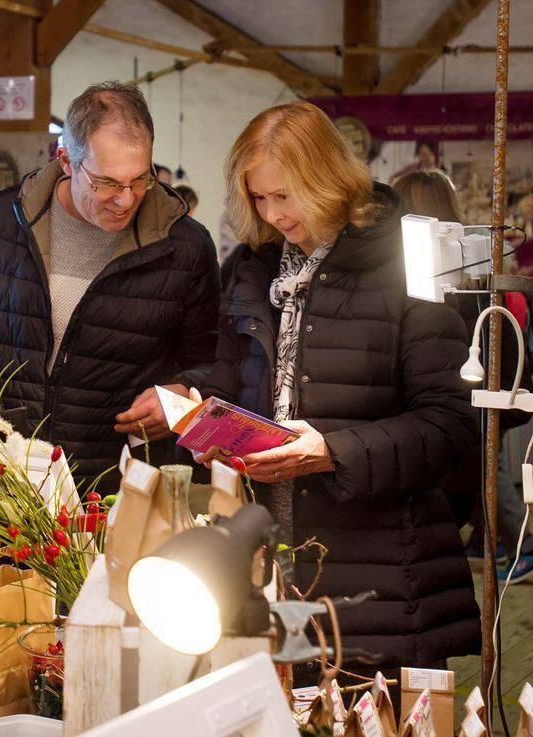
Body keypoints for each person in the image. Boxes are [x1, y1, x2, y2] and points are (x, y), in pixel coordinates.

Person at [202, 102, 480, 675]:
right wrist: (201, 416)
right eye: (259, 198)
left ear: (328, 176)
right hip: (269, 558)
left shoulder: (408, 266)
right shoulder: (253, 269)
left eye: (286, 195)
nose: (273, 213)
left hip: (381, 575)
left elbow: (451, 423)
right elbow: (229, 376)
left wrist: (332, 451)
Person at [0, 81, 221, 487]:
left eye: (140, 180)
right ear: (65, 160)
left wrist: (180, 395)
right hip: (7, 467)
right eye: (106, 183)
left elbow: (215, 359)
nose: (125, 199)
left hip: (116, 480)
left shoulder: (184, 246)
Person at [393, 168, 533, 583]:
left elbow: (513, 377)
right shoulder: (469, 277)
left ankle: (522, 549)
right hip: (455, 447)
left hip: (441, 450)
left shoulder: (462, 286)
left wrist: (477, 420)